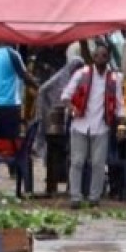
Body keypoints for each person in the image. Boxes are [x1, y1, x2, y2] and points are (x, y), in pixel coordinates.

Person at [62, 44, 124, 209]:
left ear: (108, 58)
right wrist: (73, 108)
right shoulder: (81, 74)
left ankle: (94, 197)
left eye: (104, 56)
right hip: (80, 125)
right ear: (93, 57)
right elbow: (65, 96)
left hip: (101, 126)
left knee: (98, 163)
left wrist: (121, 126)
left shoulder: (114, 80)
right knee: (77, 162)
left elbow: (119, 106)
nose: (100, 59)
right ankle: (75, 197)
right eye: (97, 56)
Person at [35, 55, 83, 197]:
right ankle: (51, 187)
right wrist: (48, 108)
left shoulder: (79, 80)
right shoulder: (60, 79)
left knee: (73, 156)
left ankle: (71, 187)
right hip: (56, 123)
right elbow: (43, 90)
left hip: (72, 123)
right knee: (54, 155)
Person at [0, 43, 37, 166]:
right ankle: (14, 168)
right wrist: (37, 85)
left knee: (0, 137)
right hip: (10, 103)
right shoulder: (13, 54)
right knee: (13, 139)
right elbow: (24, 75)